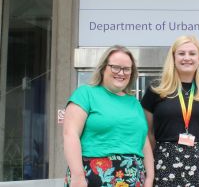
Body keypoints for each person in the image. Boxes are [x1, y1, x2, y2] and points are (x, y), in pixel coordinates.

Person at [141, 35, 199, 187]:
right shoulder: (156, 89)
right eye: (181, 53)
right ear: (173, 57)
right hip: (164, 160)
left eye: (192, 54)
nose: (187, 58)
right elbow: (148, 133)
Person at [63, 45, 154, 187]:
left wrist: (149, 177)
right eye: (115, 67)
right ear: (104, 67)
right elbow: (70, 134)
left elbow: (144, 142)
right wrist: (78, 176)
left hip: (133, 178)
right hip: (91, 175)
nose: (121, 73)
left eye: (126, 69)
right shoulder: (85, 94)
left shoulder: (134, 103)